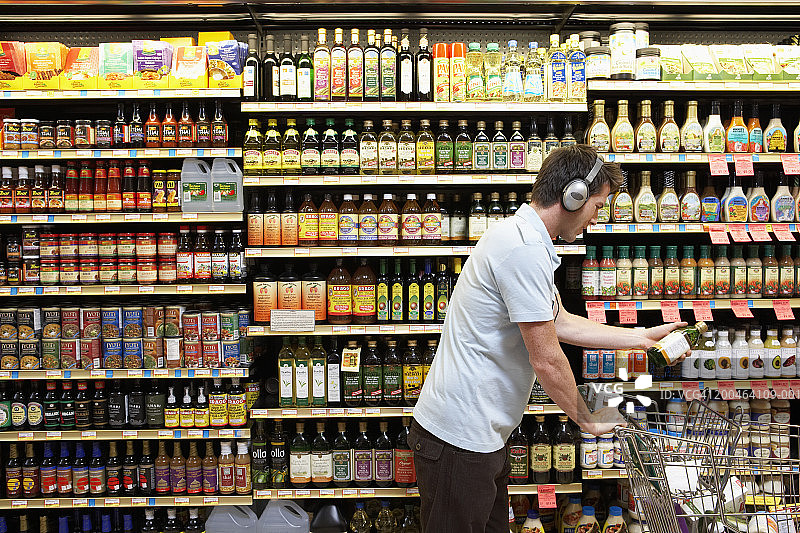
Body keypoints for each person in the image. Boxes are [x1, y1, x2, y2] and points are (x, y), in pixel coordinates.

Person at [410, 144, 689, 532]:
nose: (595, 218)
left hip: (483, 435)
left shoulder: (527, 241)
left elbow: (561, 322)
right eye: (596, 206)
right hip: (461, 438)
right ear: (573, 196)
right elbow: (546, 357)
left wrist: (640, 337)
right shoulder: (522, 249)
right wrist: (586, 419)